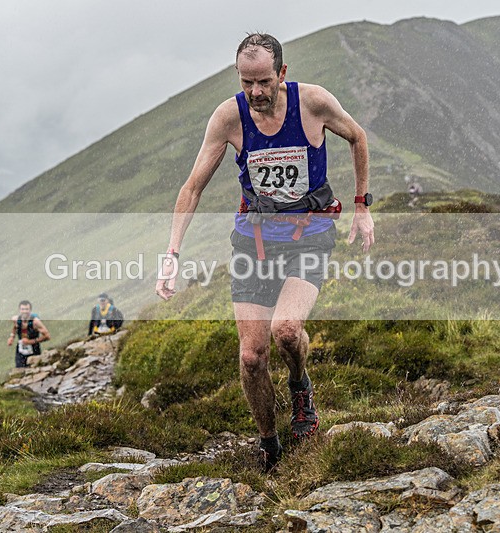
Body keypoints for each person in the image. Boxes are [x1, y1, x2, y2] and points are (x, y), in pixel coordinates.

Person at [155, 33, 374, 470]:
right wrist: (172, 252)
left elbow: (357, 137)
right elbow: (193, 186)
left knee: (287, 330)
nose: (255, 92)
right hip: (253, 242)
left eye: (264, 81)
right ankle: (270, 443)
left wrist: (362, 207)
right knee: (251, 356)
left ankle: (300, 386)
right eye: (246, 81)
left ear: (282, 74)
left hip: (309, 234)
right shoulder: (228, 117)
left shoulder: (313, 103)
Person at [7, 300, 51, 368]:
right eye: (22, 309)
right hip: (21, 349)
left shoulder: (35, 322)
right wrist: (12, 337)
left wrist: (31, 342)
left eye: (26, 309)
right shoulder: (16, 319)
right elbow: (15, 327)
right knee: (19, 370)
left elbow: (47, 336)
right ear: (19, 310)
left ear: (30, 310)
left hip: (34, 349)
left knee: (34, 368)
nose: (24, 311)